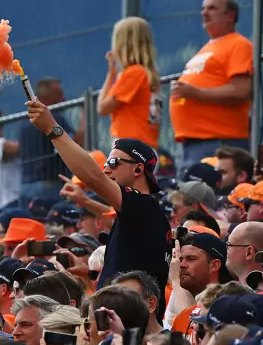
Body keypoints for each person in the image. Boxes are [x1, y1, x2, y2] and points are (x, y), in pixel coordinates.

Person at [27, 98, 170, 291]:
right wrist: (91, 274)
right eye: (104, 165)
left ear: (137, 170)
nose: (106, 170)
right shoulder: (142, 212)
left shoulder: (144, 205)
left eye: (112, 164)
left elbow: (94, 178)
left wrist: (53, 129)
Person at [170, 0, 254, 165]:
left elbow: (241, 90)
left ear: (230, 16)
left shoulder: (238, 44)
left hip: (220, 142)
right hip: (195, 142)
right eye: (203, 9)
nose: (204, 13)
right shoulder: (208, 48)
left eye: (212, 8)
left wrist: (195, 92)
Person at [96, 16, 163, 148]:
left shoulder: (133, 73)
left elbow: (102, 108)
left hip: (130, 145)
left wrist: (111, 75)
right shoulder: (147, 73)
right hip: (145, 144)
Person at [18, 78, 75, 206]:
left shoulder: (25, 122)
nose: (64, 99)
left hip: (26, 187)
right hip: (50, 185)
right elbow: (74, 144)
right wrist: (85, 113)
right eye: (59, 94)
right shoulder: (54, 118)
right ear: (47, 98)